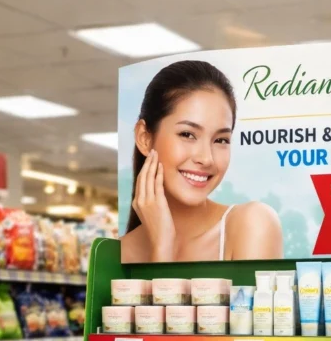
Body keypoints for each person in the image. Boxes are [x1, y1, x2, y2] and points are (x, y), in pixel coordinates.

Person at [121, 59, 283, 263]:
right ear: (145, 138)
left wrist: (163, 250)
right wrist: (162, 245)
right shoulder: (118, 254)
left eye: (221, 140)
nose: (206, 158)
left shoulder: (252, 225)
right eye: (187, 134)